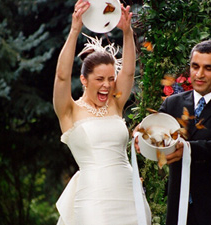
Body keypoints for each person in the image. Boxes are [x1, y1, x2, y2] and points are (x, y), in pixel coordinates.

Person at [135, 40, 211, 225]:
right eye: (195, 66)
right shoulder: (172, 103)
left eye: (208, 68)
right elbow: (156, 132)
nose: (199, 74)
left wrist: (187, 149)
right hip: (179, 205)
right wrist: (141, 137)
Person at [53, 0, 151, 224]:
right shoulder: (69, 111)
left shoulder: (115, 103)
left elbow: (127, 73)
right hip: (93, 199)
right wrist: (75, 29)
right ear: (84, 80)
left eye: (110, 79)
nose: (107, 85)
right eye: (100, 79)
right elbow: (61, 77)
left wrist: (127, 32)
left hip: (128, 194)